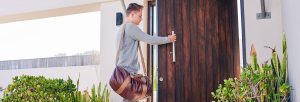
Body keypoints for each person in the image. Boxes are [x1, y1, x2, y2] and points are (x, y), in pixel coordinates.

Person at [116, 3, 176, 102]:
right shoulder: (131, 27)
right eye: (139, 16)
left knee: (129, 99)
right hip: (128, 74)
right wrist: (168, 39)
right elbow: (150, 39)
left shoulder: (121, 29)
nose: (141, 19)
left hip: (121, 73)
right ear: (131, 14)